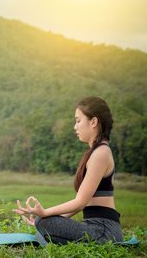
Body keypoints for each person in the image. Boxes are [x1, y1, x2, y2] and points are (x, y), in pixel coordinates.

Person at [13, 97, 123, 245]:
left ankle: (47, 234)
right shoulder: (94, 152)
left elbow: (79, 202)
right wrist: (45, 220)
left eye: (78, 121)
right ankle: (46, 233)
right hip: (93, 227)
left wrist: (45, 214)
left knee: (44, 223)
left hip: (104, 231)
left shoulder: (101, 153)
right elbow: (81, 204)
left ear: (94, 122)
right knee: (43, 224)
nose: (75, 127)